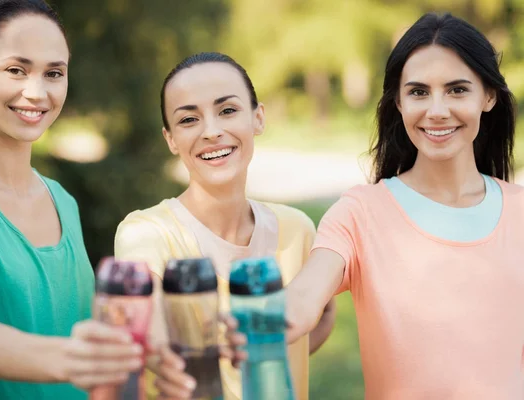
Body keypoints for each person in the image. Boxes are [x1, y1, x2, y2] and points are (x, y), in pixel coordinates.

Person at [279, 12, 524, 399]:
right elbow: (305, 297)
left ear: (488, 96)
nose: (437, 110)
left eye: (457, 90)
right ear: (398, 101)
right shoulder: (360, 213)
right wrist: (260, 321)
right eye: (418, 92)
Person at [0, 1, 143, 399]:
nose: (36, 92)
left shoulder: (63, 202)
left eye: (54, 73)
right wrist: (78, 360)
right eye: (16, 70)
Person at [114, 52, 336, 399]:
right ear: (170, 138)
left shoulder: (298, 230)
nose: (212, 132)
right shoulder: (145, 233)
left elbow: (323, 317)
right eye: (189, 120)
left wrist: (265, 360)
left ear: (258, 118)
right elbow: (150, 325)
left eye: (228, 111)